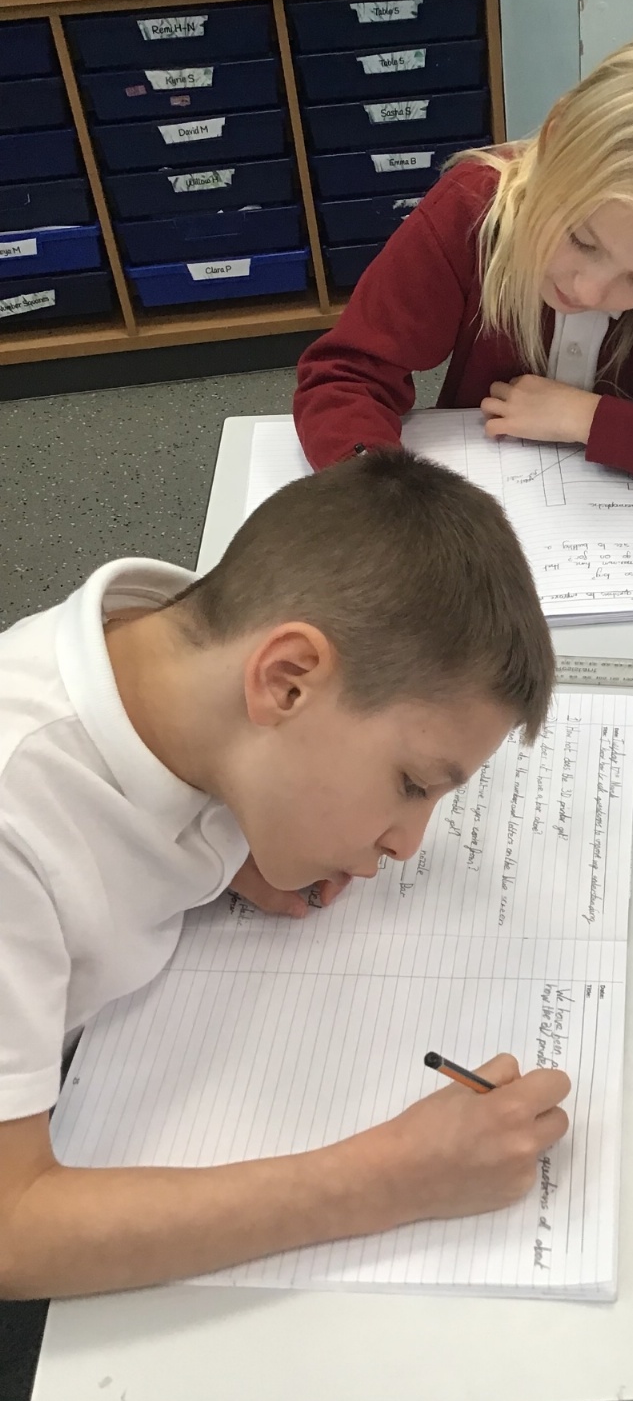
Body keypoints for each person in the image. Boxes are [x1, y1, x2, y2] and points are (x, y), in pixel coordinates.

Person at [0, 450, 570, 1299]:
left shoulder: (181, 660)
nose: (408, 843)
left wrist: (229, 845)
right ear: (288, 681)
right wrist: (393, 1177)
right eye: (411, 785)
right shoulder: (15, 823)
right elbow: (11, 1232)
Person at [294, 28, 633, 513]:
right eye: (581, 240)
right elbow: (344, 377)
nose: (588, 290)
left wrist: (588, 419)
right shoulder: (472, 212)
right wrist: (380, 497)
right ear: (555, 139)